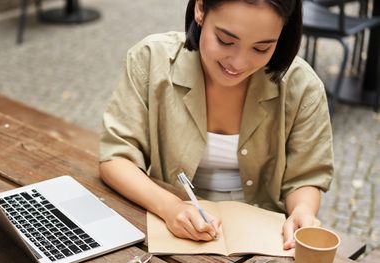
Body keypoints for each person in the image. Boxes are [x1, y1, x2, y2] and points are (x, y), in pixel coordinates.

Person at [99, 0, 333, 250]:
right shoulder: (150, 60)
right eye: (226, 41)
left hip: (265, 242)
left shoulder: (302, 86)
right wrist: (169, 207)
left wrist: (302, 210)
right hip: (171, 230)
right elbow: (116, 158)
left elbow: (305, 176)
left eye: (262, 48)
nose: (239, 63)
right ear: (200, 9)